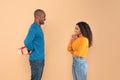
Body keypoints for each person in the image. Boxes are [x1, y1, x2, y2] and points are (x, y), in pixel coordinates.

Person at [24, 9, 46, 80]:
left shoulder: (38, 27)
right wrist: (32, 49)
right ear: (37, 17)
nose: (45, 19)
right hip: (36, 60)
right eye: (43, 17)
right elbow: (27, 42)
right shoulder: (34, 28)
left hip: (39, 59)